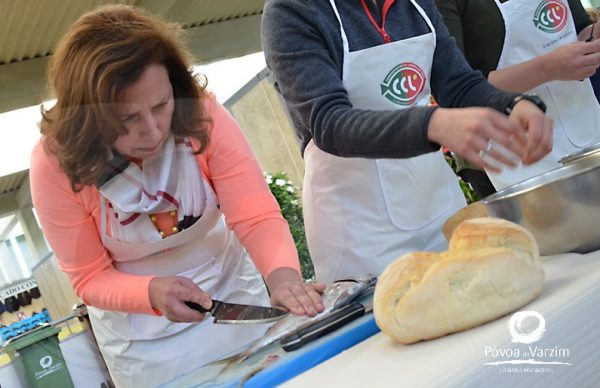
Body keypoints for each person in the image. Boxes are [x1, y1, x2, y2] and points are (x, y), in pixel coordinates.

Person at [29, 5, 324, 387]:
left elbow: (255, 215)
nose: (152, 131)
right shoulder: (55, 164)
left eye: (161, 105)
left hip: (234, 298)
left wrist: (284, 279)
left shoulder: (203, 114)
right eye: (127, 119)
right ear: (90, 118)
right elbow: (89, 277)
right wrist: (150, 292)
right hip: (142, 343)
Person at [261, 0, 553, 284]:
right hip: (362, 233)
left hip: (439, 207)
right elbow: (329, 122)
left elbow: (459, 84)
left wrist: (514, 104)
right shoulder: (291, 11)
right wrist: (433, 123)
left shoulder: (416, 4)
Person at [436, 0, 600, 190]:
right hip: (520, 157)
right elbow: (461, 90)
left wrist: (594, 36)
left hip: (585, 124)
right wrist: (548, 68)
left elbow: (579, 31)